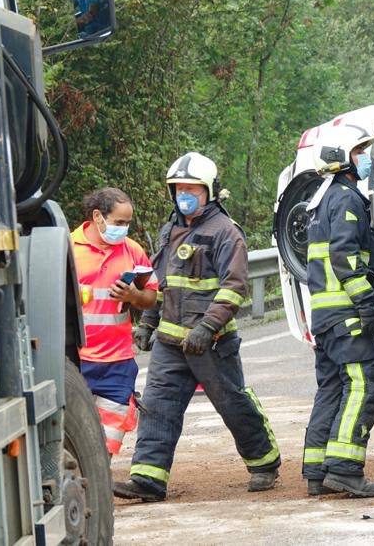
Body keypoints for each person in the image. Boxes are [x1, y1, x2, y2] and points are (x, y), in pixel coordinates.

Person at [113, 152, 280, 502]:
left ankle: (264, 462)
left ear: (210, 191)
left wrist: (208, 327)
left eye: (192, 189)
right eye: (179, 189)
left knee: (232, 403)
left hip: (211, 343)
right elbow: (160, 283)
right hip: (170, 343)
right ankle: (147, 480)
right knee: (157, 407)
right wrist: (147, 322)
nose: (184, 195)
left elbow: (234, 287)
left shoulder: (225, 233)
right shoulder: (169, 230)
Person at [302, 129, 374, 498]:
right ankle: (346, 470)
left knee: (332, 390)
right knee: (365, 385)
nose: (366, 157)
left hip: (325, 318)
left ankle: (317, 471)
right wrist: (367, 303)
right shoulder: (348, 200)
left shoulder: (321, 202)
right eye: (361, 151)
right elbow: (345, 258)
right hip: (347, 314)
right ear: (345, 160)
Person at [72, 188, 158, 455]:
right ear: (98, 216)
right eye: (119, 222)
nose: (124, 229)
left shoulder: (132, 250)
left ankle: (99, 480)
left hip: (118, 362)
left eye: (127, 223)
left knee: (108, 440)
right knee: (74, 437)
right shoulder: (67, 248)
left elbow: (151, 298)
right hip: (77, 359)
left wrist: (134, 295)